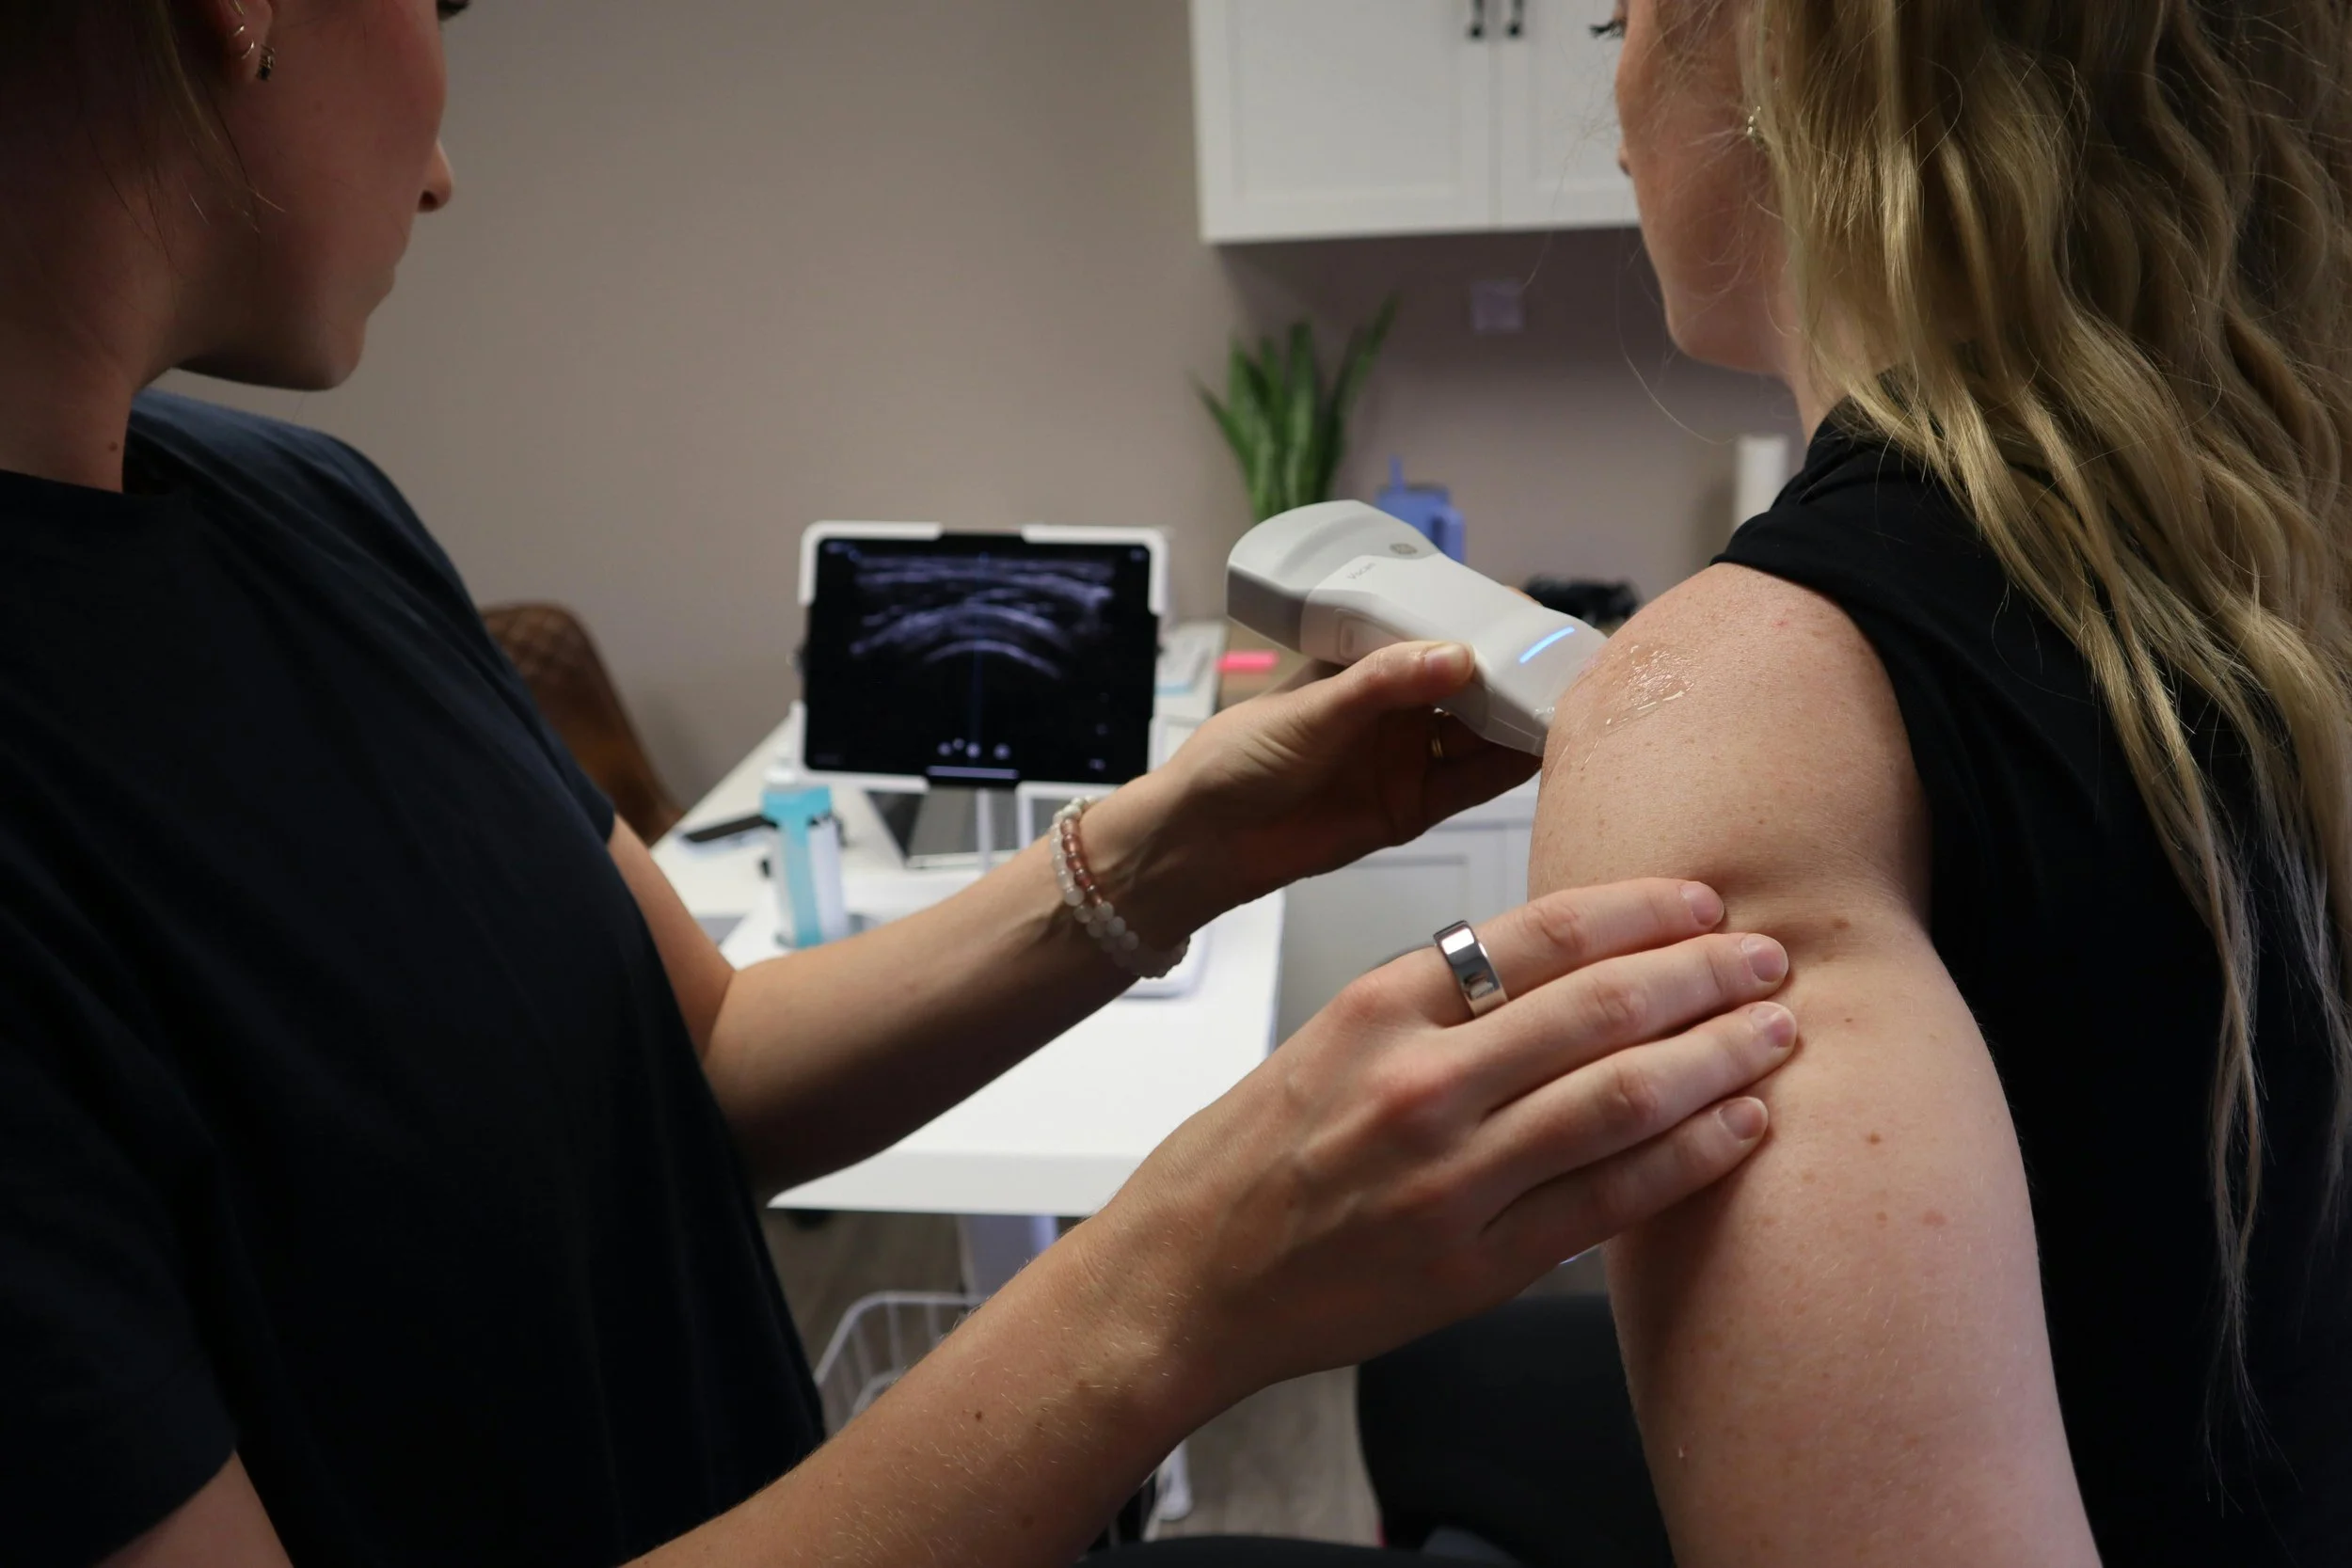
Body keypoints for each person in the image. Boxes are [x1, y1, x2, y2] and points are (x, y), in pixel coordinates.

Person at [0, 5, 1807, 1567]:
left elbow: (690, 1065)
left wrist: (1177, 846)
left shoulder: (311, 515)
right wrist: (1164, 1288)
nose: (449, 166)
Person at [1493, 0, 2352, 1563]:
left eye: (1618, 13)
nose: (1610, 82)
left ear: (1771, 45)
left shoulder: (1744, 708)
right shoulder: (2285, 574)